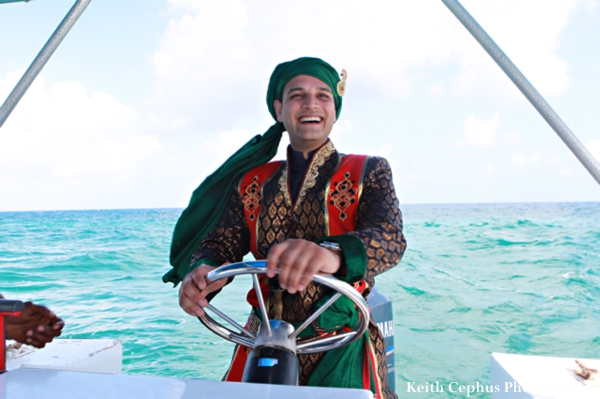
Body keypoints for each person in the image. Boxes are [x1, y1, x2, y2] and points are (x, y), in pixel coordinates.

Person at [164, 57, 406, 398]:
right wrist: (203, 273)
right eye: (297, 95)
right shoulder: (250, 181)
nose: (311, 104)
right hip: (261, 339)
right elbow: (221, 245)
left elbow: (390, 238)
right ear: (279, 109)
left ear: (334, 110)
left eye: (323, 96)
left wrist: (331, 254)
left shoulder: (370, 171)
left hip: (340, 341)